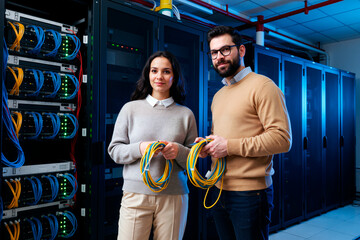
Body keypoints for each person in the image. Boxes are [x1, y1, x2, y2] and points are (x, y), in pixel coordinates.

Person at [196, 25, 292, 240]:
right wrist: (208, 147)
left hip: (250, 194)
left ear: (241, 51)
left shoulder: (263, 86)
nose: (219, 57)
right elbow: (224, 138)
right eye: (213, 53)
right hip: (219, 188)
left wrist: (228, 146)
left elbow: (282, 139)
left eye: (225, 50)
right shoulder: (219, 95)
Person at [108, 51, 198, 240]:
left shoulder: (186, 114)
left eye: (166, 71)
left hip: (174, 196)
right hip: (135, 195)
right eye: (154, 70)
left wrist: (178, 151)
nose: (159, 76)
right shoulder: (130, 109)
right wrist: (140, 148)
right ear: (148, 74)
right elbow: (114, 150)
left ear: (174, 77)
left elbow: (193, 159)